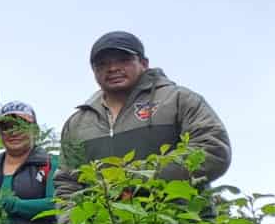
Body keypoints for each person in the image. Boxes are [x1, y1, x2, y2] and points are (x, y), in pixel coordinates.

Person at [56, 32, 231, 205]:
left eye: (123, 60)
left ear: (144, 63)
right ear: (94, 71)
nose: (112, 68)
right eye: (102, 64)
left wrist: (138, 179)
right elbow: (67, 182)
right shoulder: (77, 124)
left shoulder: (179, 100)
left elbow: (213, 150)